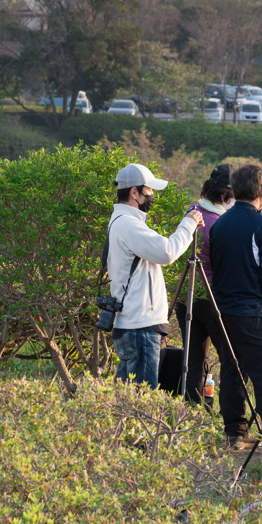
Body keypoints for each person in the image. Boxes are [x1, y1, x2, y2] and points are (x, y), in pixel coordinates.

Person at [209, 163, 262, 450]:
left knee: (232, 369)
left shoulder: (220, 224)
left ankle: (235, 431)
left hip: (223, 310)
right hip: (250, 310)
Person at [109, 163, 203, 389]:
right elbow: (167, 251)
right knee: (141, 404)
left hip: (132, 325)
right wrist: (188, 223)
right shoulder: (129, 225)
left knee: (124, 402)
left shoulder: (123, 222)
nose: (152, 196)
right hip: (139, 328)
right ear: (135, 193)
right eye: (149, 190)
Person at [173, 163, 235, 404]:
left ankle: (191, 412)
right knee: (231, 357)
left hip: (186, 295)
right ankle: (231, 416)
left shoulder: (195, 210)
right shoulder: (219, 222)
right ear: (224, 195)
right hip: (210, 297)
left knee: (193, 359)